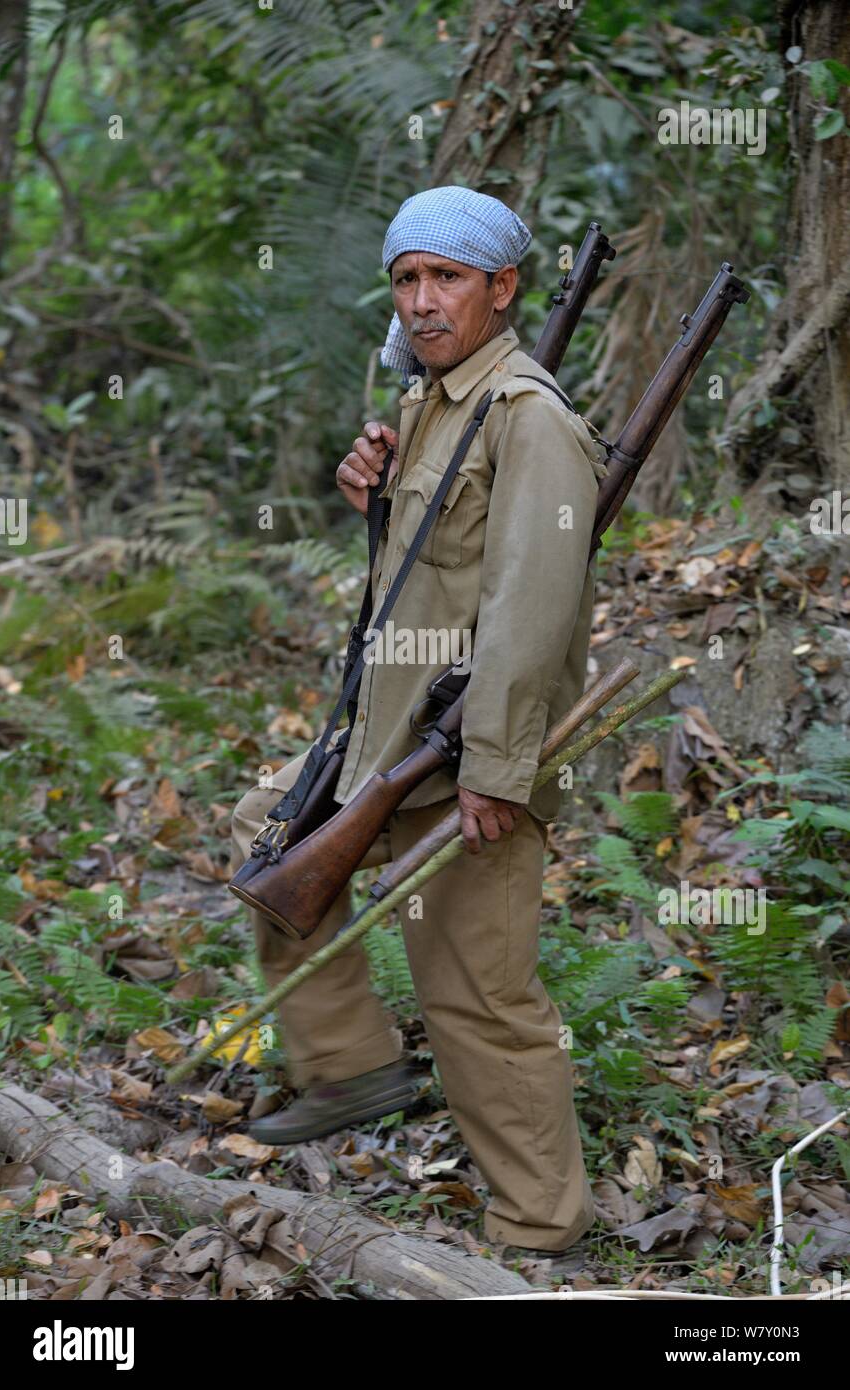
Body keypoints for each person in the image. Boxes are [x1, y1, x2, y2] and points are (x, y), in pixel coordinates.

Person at [230, 185, 605, 1256]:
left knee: (479, 1000)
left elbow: (531, 610)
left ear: (503, 287)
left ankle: (539, 1231)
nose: (425, 299)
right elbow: (435, 577)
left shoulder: (530, 420)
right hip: (388, 740)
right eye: (407, 279)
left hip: (467, 762)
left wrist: (495, 770)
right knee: (273, 859)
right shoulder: (438, 401)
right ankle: (353, 1070)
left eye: (447, 278)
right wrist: (378, 499)